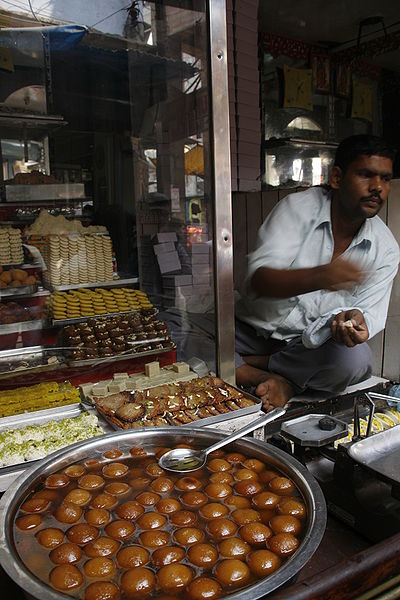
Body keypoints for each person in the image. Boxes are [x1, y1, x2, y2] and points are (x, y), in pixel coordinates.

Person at [235, 134, 399, 410]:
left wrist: (354, 321)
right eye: (366, 175)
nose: (377, 188)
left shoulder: (386, 249)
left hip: (304, 348)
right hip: (250, 331)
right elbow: (259, 280)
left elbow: (368, 315)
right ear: (336, 177)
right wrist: (322, 275)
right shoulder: (298, 209)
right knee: (174, 330)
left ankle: (247, 365)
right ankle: (265, 376)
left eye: (385, 179)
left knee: (356, 362)